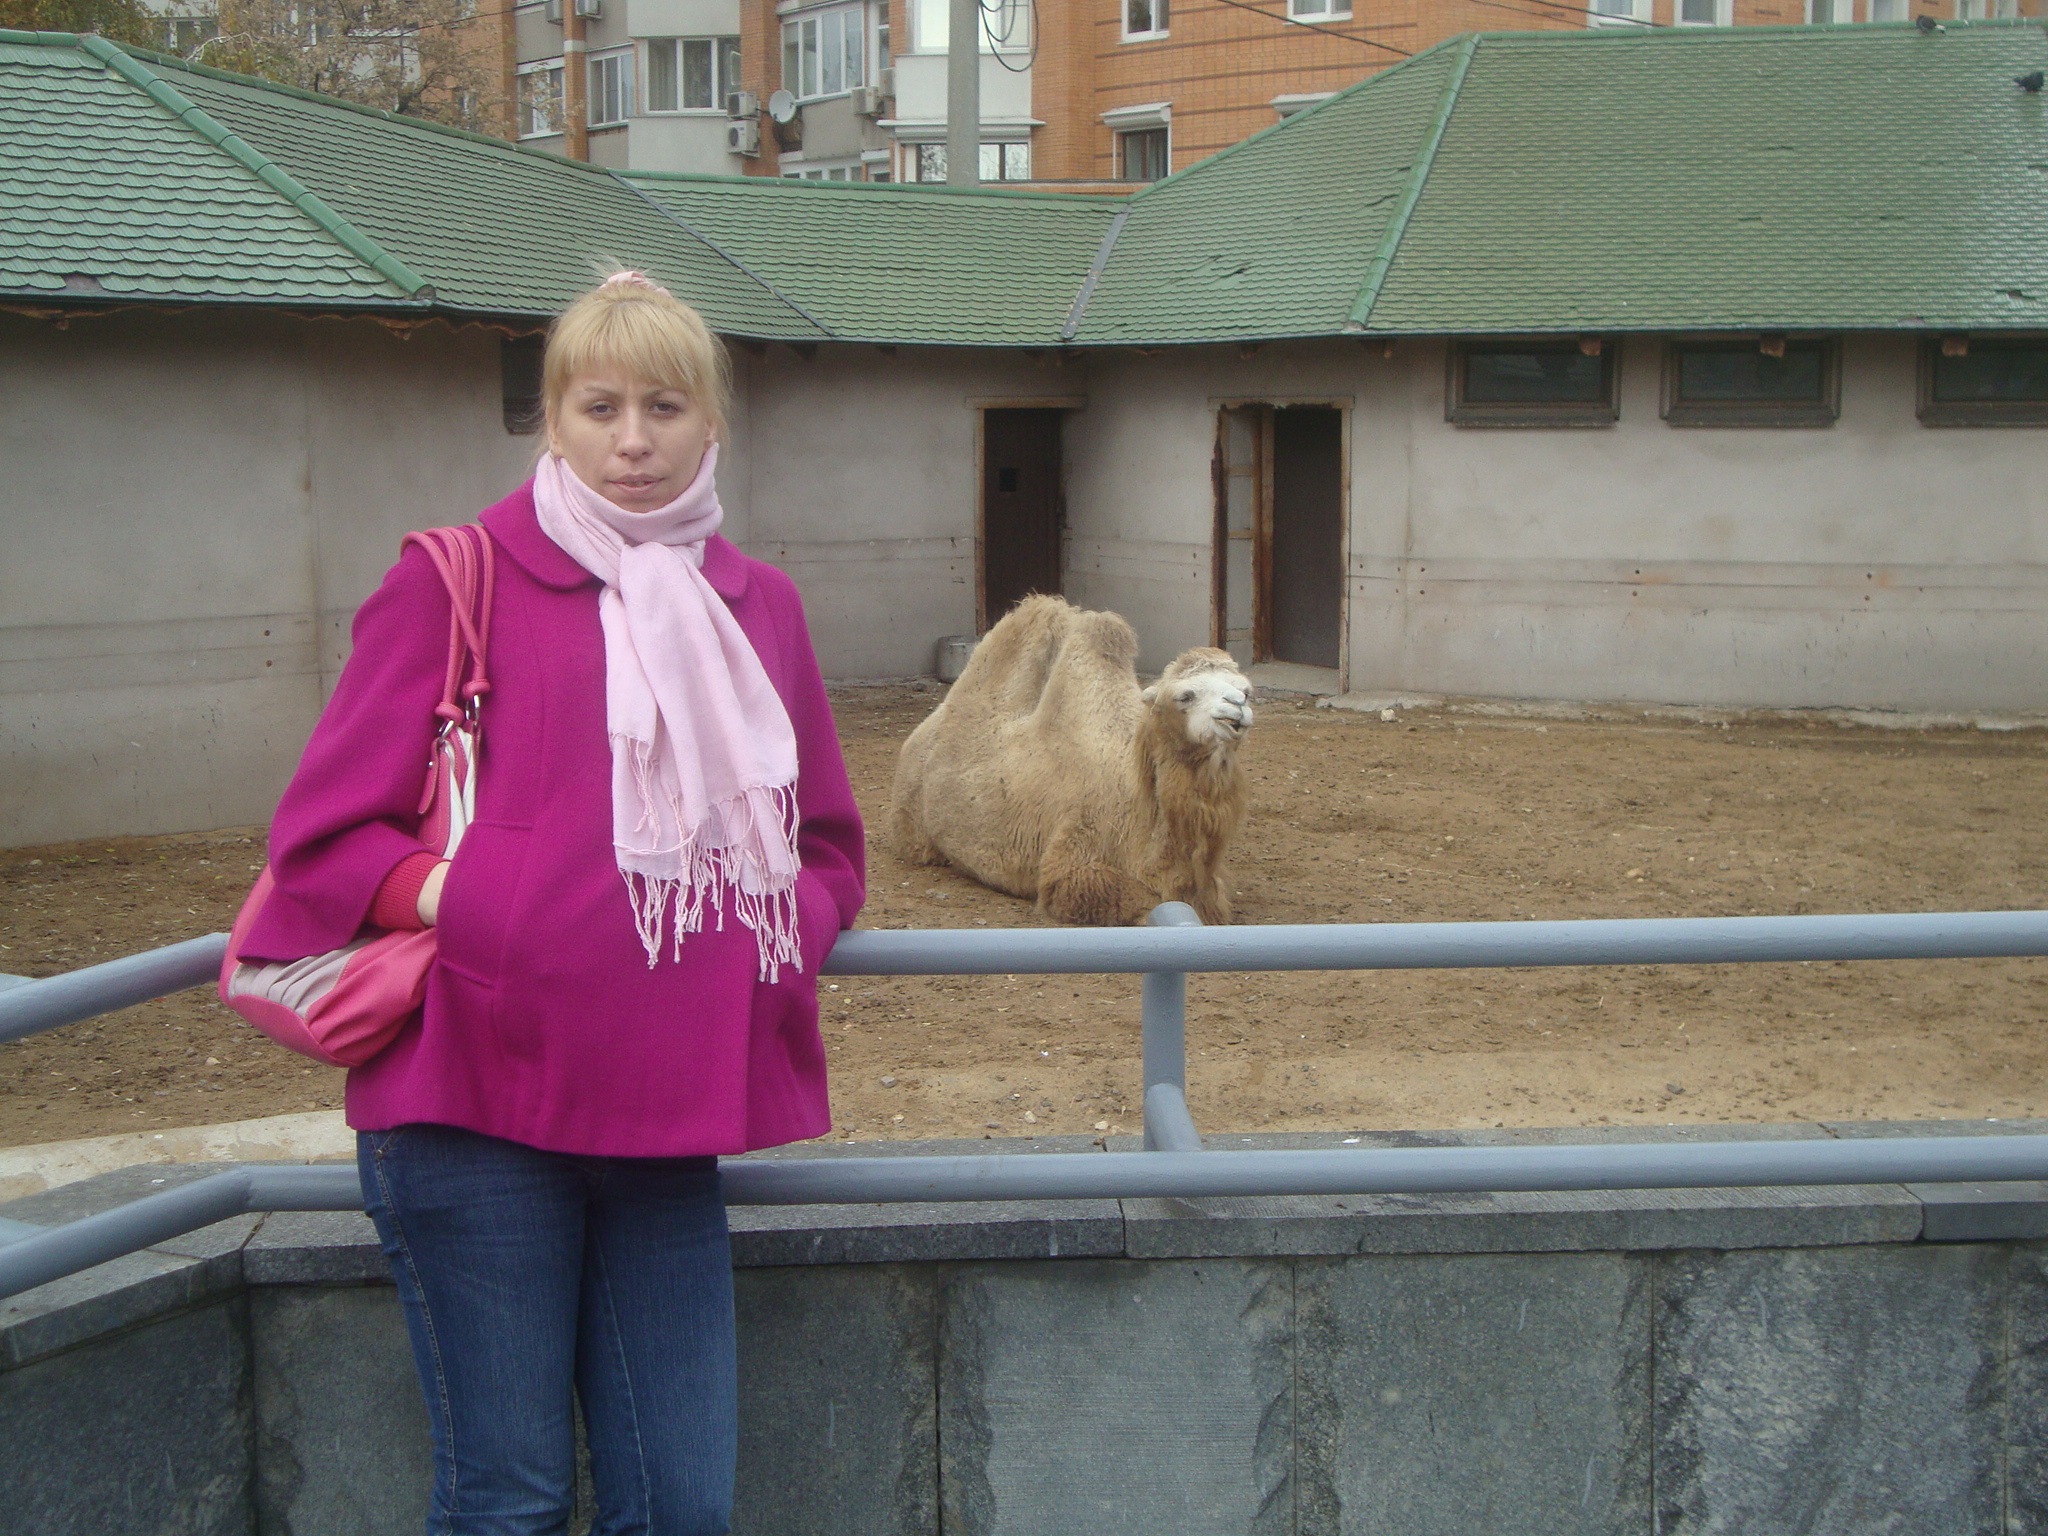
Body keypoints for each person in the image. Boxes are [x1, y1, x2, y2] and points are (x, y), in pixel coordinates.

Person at [240, 271, 866, 1535]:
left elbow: (829, 848)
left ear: (712, 424)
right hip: (471, 1104)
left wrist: (770, 937)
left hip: (671, 1115)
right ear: (554, 420)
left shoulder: (760, 606)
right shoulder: (456, 580)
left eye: (663, 408)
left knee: (680, 1507)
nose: (632, 441)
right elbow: (320, 841)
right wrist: (473, 901)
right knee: (509, 1501)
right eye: (599, 408)